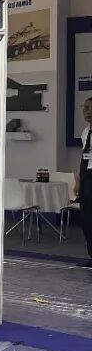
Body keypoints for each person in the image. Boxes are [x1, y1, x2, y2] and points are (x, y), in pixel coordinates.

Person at [77, 97, 92, 259]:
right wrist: (79, 179)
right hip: (87, 177)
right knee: (86, 218)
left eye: (90, 108)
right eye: (85, 108)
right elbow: (84, 157)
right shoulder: (85, 132)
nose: (87, 111)